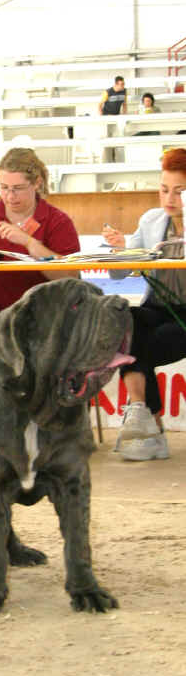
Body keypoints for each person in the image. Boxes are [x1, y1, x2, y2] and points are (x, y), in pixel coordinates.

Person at [102, 148, 186, 461]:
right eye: (164, 190)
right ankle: (143, 414)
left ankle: (150, 428)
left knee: (149, 344)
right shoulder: (151, 221)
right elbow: (119, 273)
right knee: (127, 321)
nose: (169, 199)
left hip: (184, 315)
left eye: (179, 192)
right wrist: (121, 249)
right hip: (159, 306)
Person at [0, 147, 80, 313]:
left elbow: (70, 278)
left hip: (42, 317)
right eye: (4, 187)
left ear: (37, 183)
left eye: (18, 188)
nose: (10, 196)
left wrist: (29, 243)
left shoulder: (58, 222)